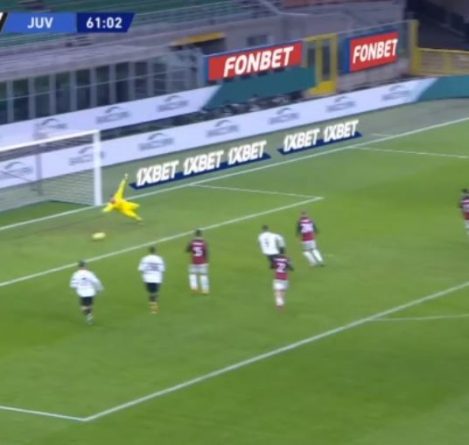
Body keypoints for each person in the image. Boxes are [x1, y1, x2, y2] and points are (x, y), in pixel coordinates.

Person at [138, 246, 165, 314]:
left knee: (151, 293)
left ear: (149, 251)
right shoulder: (159, 259)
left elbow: (141, 269)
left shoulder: (144, 258)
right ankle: (154, 307)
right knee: (155, 293)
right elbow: (162, 270)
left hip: (147, 278)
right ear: (155, 251)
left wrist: (144, 276)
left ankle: (153, 308)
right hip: (157, 278)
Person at [186, 229, 210, 294]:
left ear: (195, 235)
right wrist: (207, 262)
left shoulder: (192, 242)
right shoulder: (204, 243)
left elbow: (187, 250)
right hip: (202, 262)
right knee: (203, 276)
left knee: (192, 275)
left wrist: (190, 246)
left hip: (193, 262)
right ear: (201, 235)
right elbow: (206, 253)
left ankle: (194, 288)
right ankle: (205, 289)